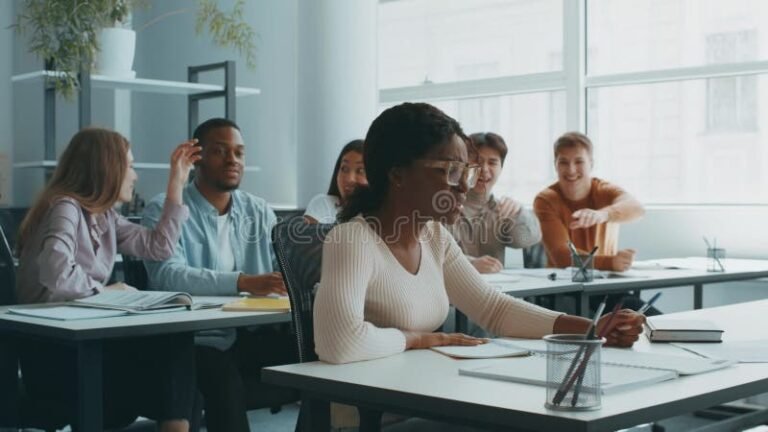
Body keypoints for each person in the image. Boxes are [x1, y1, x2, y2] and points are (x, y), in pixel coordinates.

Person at [313, 102, 645, 368]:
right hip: (370, 412)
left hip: (422, 391)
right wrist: (416, 338)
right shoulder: (352, 241)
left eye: (466, 172)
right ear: (398, 175)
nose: (464, 186)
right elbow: (339, 343)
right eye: (450, 171)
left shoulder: (434, 237)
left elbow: (494, 309)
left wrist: (592, 328)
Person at [15, 127, 200, 432]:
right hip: (54, 352)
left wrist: (176, 183)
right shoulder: (65, 206)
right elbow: (55, 273)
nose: (135, 176)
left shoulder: (104, 217)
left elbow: (158, 247)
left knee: (179, 356)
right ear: (107, 168)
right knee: (175, 359)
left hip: (88, 342)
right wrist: (105, 291)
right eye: (130, 166)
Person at [143, 118, 293, 432]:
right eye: (220, 151)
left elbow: (284, 269)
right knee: (222, 378)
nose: (232, 160)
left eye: (239, 152)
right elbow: (166, 275)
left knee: (322, 356)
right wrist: (242, 282)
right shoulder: (165, 208)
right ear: (196, 158)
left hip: (254, 331)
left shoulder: (258, 210)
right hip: (199, 338)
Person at [533, 131, 656, 314]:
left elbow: (637, 209)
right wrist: (610, 262)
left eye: (579, 161)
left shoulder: (603, 190)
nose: (571, 170)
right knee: (635, 312)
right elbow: (562, 256)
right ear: (555, 165)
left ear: (591, 163)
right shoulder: (546, 199)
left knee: (639, 314)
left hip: (605, 285)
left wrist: (603, 215)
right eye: (563, 162)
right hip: (566, 289)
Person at [448, 132, 541, 274]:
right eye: (477, 162)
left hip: (494, 287)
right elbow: (433, 255)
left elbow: (526, 240)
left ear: (501, 168)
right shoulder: (444, 208)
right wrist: (470, 264)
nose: (484, 170)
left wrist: (519, 213)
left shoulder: (502, 209)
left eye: (492, 163)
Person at [304, 139, 367, 224]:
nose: (349, 179)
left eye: (361, 170)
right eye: (344, 169)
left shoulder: (380, 215)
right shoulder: (323, 204)